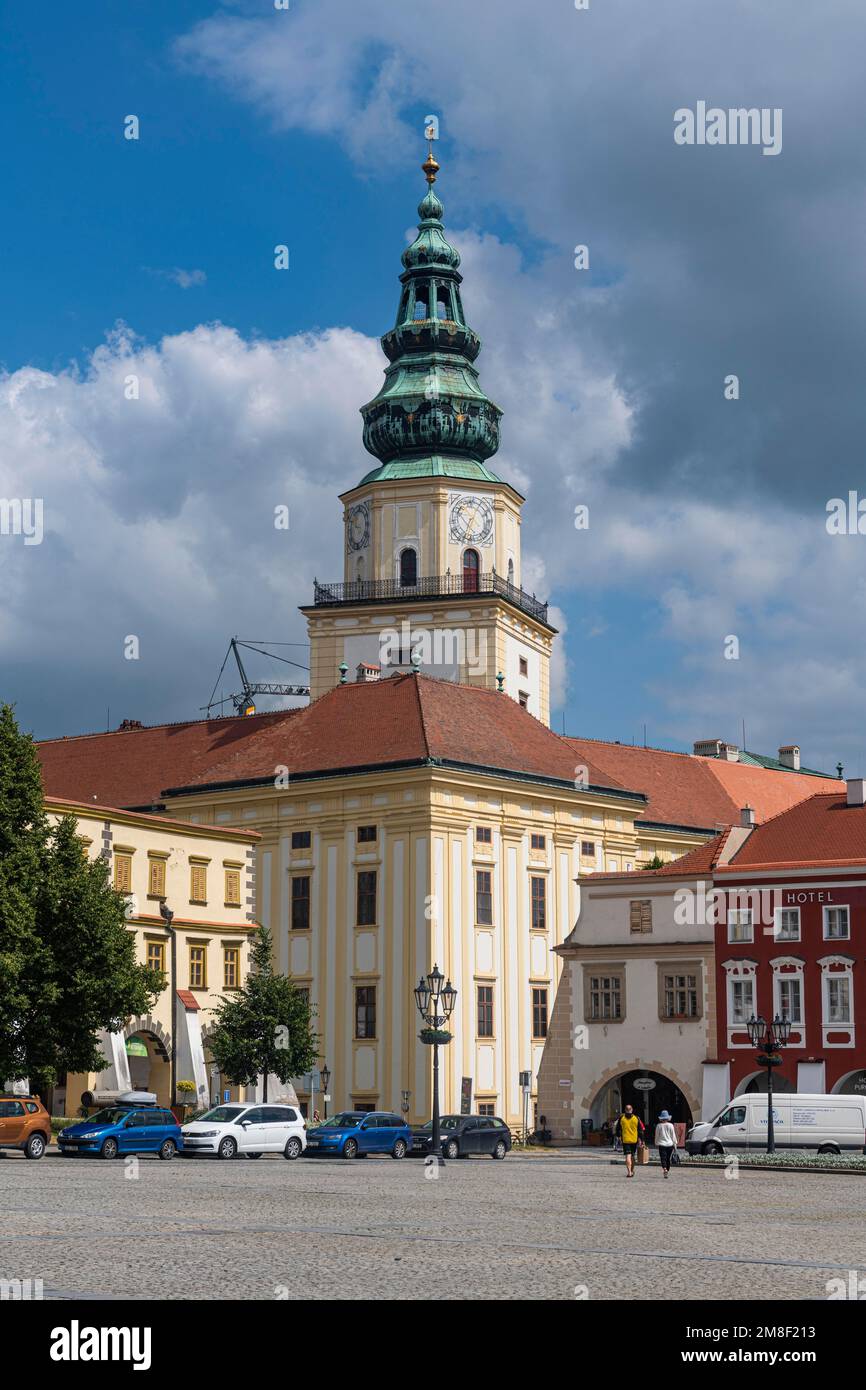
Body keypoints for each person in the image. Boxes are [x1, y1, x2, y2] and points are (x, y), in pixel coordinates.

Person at [614, 1104, 646, 1176]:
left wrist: (619, 1137)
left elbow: (618, 1129)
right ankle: (632, 1170)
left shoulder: (622, 1118)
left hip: (625, 1140)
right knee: (632, 1156)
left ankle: (629, 1172)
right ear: (632, 1110)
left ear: (625, 1110)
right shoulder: (636, 1118)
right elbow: (640, 1130)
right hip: (634, 1140)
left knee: (628, 1155)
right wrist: (642, 1140)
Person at [654, 1109, 678, 1177]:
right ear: (668, 1118)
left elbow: (657, 1135)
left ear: (661, 1118)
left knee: (663, 1158)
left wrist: (656, 1143)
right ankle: (667, 1169)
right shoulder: (671, 1125)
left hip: (662, 1144)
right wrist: (675, 1144)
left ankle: (664, 1168)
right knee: (668, 1158)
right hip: (670, 1144)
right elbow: (673, 1135)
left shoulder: (659, 1126)